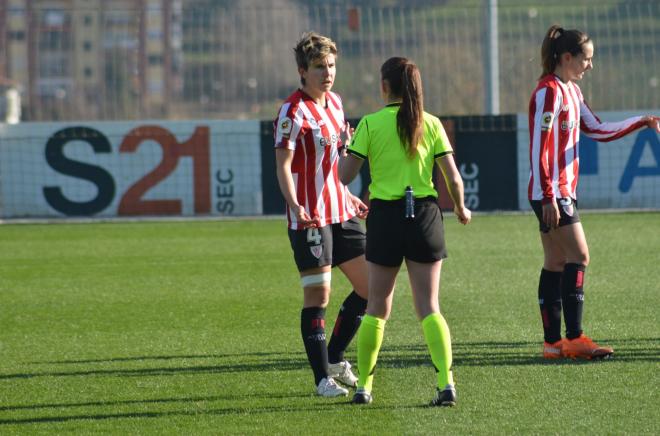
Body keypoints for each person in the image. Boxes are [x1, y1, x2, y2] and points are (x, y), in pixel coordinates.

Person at [339, 57, 471, 406]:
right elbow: (453, 178)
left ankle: (365, 387)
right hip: (425, 216)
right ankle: (446, 383)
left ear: (384, 86)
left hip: (384, 217)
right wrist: (460, 208)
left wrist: (343, 145)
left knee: (376, 308)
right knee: (429, 306)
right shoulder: (431, 124)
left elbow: (344, 176)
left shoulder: (370, 124)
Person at [529, 25, 660, 360]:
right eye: (586, 59)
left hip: (560, 192)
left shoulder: (571, 92)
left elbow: (597, 129)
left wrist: (641, 121)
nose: (590, 65)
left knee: (556, 261)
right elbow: (539, 148)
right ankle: (574, 339)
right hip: (552, 192)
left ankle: (552, 343)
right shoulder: (549, 91)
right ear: (567, 57)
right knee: (580, 256)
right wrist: (548, 195)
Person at [273, 32, 370, 398]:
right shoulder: (292, 111)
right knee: (319, 296)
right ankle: (321, 379)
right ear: (302, 71)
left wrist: (348, 195)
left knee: (371, 287)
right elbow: (283, 166)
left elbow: (335, 165)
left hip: (340, 210)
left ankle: (333, 357)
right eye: (319, 67)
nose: (327, 73)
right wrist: (295, 203)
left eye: (331, 66)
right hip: (310, 216)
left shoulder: (336, 103)